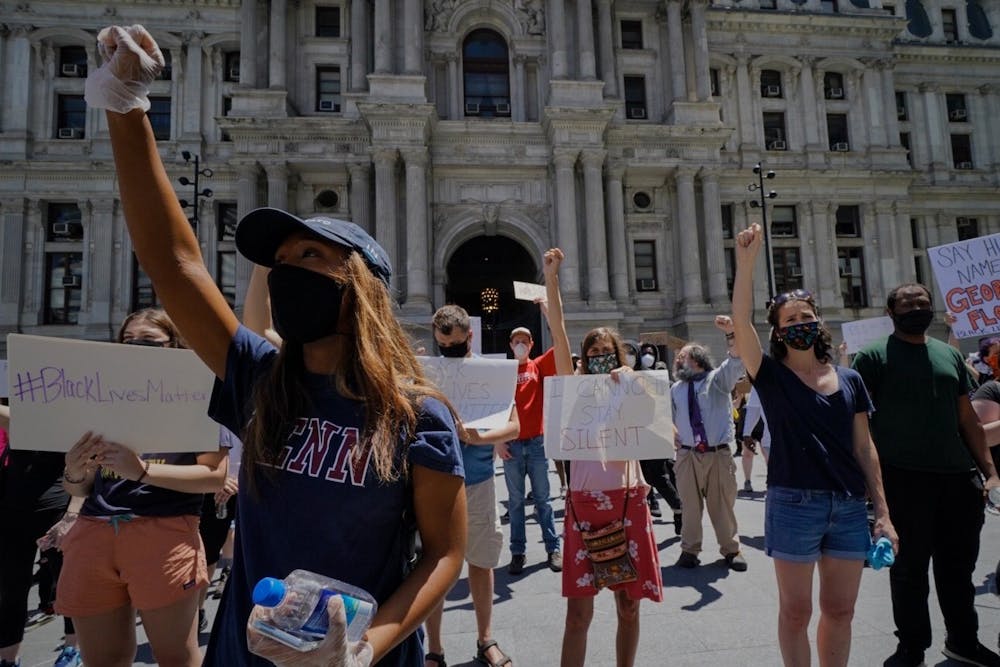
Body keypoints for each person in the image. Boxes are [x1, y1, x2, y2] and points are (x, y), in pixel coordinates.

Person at [88, 25, 467, 666]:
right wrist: (125, 106)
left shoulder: (417, 418)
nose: (288, 271)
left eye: (310, 256)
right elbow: (175, 263)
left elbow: (444, 553)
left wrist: (366, 647)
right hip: (245, 654)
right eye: (282, 260)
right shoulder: (258, 378)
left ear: (362, 286)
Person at [732, 223, 898, 667]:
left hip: (846, 506)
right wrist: (746, 263)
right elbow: (742, 319)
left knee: (840, 611)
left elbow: (865, 449)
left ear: (818, 323)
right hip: (793, 503)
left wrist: (881, 512)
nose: (801, 324)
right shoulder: (769, 376)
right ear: (778, 332)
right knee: (796, 610)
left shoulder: (850, 380)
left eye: (807, 317)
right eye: (791, 320)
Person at [55, 308, 228, 667]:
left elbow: (214, 476)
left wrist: (143, 471)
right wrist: (74, 472)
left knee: (176, 656)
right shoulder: (97, 396)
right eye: (127, 341)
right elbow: (81, 489)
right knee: (104, 659)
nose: (135, 348)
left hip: (164, 533)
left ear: (174, 346)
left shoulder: (195, 396)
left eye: (149, 342)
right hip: (94, 533)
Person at [852, 283, 1000, 667]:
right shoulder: (871, 357)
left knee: (959, 569)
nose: (917, 308)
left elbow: (966, 418)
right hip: (903, 479)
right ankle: (911, 647)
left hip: (957, 479)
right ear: (891, 312)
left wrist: (989, 471)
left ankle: (964, 641)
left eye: (923, 303)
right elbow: (857, 424)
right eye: (908, 303)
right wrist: (869, 484)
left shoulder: (949, 355)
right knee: (909, 571)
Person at [424, 303, 522, 667]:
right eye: (441, 345)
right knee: (432, 566)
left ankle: (485, 640)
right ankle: (434, 649)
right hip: (434, 483)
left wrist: (477, 437)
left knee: (481, 562)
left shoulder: (492, 374)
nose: (447, 351)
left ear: (469, 336)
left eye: (453, 343)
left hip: (478, 478)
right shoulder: (427, 374)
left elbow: (515, 427)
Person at [560, 327, 662, 667]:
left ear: (617, 355)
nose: (599, 358)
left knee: (628, 606)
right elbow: (560, 339)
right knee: (577, 614)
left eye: (605, 352)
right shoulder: (573, 392)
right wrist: (551, 299)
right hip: (583, 503)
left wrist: (635, 381)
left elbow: (657, 421)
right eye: (592, 354)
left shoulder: (631, 384)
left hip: (627, 499)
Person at [0, 404, 81, 667]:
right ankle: (8, 658)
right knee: (11, 591)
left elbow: (84, 473)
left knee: (67, 586)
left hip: (55, 514)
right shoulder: (21, 417)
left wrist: (71, 516)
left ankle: (73, 649)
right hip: (13, 514)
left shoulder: (68, 420)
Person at [670, 316, 748, 572]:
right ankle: (689, 550)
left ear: (699, 359)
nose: (679, 360)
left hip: (717, 454)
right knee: (690, 506)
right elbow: (667, 418)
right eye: (678, 357)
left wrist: (731, 334)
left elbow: (736, 360)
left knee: (721, 505)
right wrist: (671, 432)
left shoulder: (718, 380)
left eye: (684, 356)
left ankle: (731, 549)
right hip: (687, 455)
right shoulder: (676, 389)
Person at [504, 290, 573, 575]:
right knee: (516, 503)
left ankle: (552, 549)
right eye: (516, 340)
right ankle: (517, 552)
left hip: (536, 442)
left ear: (531, 344)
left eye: (525, 340)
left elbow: (560, 340)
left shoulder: (539, 366)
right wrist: (498, 442)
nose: (520, 344)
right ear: (510, 345)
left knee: (543, 500)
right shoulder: (502, 371)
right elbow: (494, 409)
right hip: (510, 444)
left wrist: (546, 309)